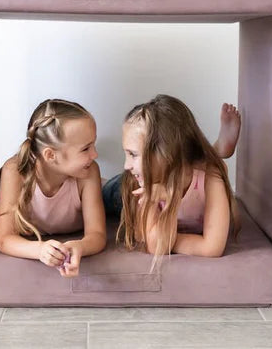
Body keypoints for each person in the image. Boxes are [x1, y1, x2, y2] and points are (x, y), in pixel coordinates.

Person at [102, 94, 242, 261]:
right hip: (119, 190)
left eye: (133, 154)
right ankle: (216, 150)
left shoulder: (211, 177)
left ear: (165, 155)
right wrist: (167, 198)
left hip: (187, 170)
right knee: (104, 193)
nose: (126, 165)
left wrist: (169, 199)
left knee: (212, 165)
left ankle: (215, 152)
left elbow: (213, 247)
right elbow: (155, 246)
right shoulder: (138, 183)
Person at [0, 98, 106, 277]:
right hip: (21, 186)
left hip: (100, 189)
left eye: (93, 145)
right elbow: (5, 239)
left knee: (117, 191)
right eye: (86, 149)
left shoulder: (89, 172)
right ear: (50, 155)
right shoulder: (14, 171)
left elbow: (97, 234)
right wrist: (40, 250)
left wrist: (79, 247)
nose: (95, 154)